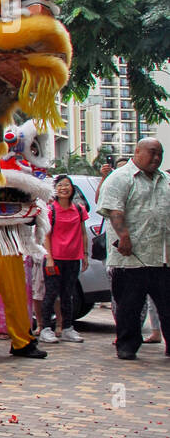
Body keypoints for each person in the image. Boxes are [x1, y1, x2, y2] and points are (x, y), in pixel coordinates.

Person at [96, 138, 170, 360]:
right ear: (137, 151)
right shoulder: (120, 177)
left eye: (160, 154)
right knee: (129, 306)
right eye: (152, 153)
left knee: (167, 306)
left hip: (162, 256)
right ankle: (127, 346)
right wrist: (124, 237)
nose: (156, 158)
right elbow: (114, 210)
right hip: (130, 258)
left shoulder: (165, 180)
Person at [39, 175, 89, 344]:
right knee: (51, 294)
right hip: (55, 258)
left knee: (68, 295)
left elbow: (83, 233)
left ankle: (68, 328)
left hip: (73, 258)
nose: (63, 188)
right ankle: (46, 328)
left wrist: (85, 255)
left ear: (72, 188)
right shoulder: (50, 210)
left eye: (66, 185)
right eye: (60, 185)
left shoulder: (79, 209)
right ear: (55, 189)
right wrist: (49, 257)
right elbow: (46, 235)